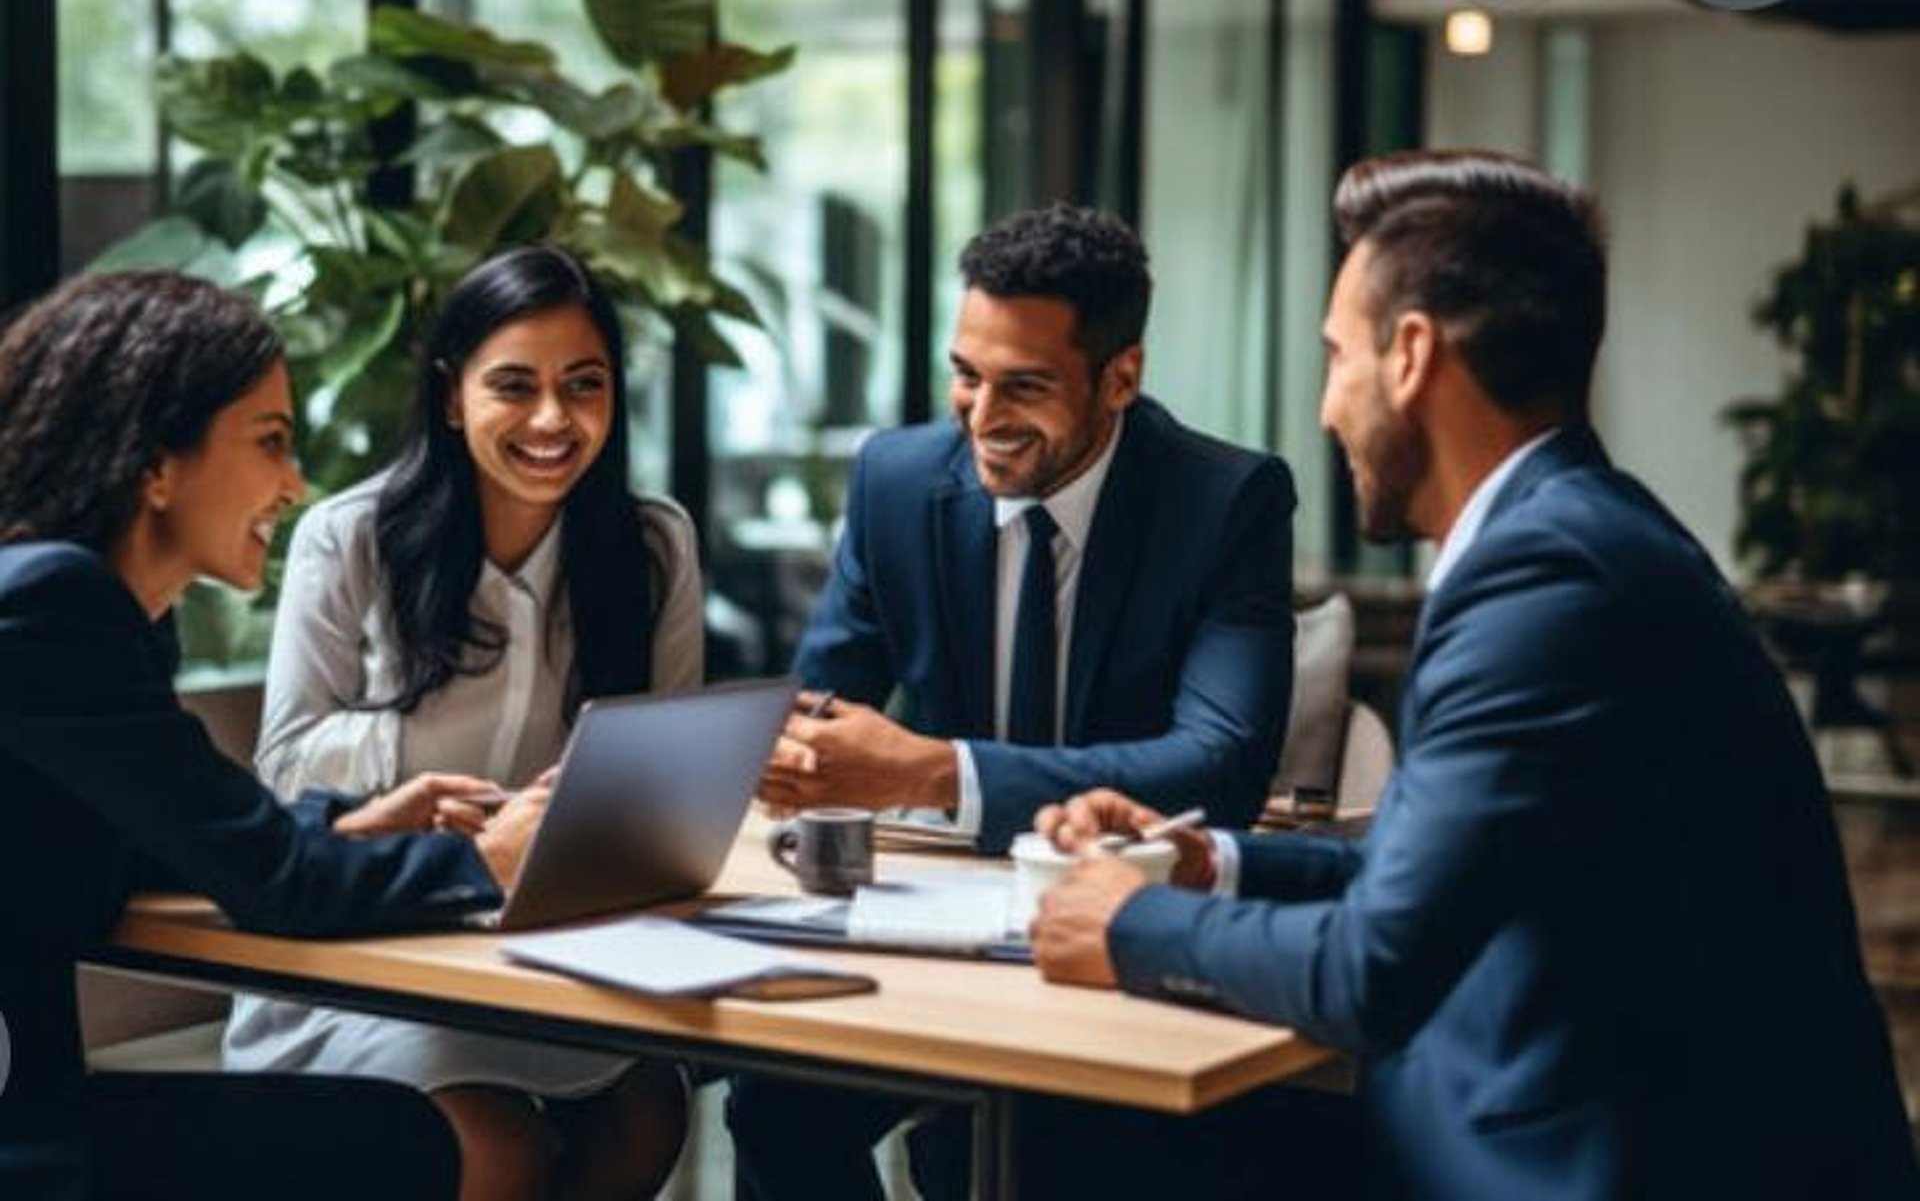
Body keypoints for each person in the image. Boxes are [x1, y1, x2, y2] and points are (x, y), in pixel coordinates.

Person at [1030, 150, 1920, 1199]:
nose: (1324, 408)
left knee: (1107, 1149)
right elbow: (1429, 878)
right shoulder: (1574, 532)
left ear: (1410, 355)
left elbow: (1373, 971)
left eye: (1336, 355)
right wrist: (1204, 861)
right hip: (1603, 1118)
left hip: (1614, 1159)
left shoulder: (1545, 580)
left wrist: (1127, 924)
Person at [731, 205, 1298, 1199]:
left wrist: (935, 770)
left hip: (1118, 933)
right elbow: (819, 708)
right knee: (777, 1100)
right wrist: (788, 754)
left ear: (1120, 377)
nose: (982, 415)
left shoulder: (1225, 502)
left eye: (1024, 386)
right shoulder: (896, 482)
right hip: (928, 926)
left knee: (1053, 1146)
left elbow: (1219, 764)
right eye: (966, 373)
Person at [0, 270, 547, 1199]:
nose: (294, 485)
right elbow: (278, 889)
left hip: (34, 1102)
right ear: (155, 463)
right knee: (442, 1142)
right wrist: (493, 858)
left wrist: (349, 827)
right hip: (24, 1137)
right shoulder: (54, 605)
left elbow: (166, 836)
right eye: (270, 442)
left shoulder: (87, 610)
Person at [222, 246, 698, 1201]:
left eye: (585, 385)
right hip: (367, 945)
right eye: (514, 387)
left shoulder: (650, 545)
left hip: (547, 952)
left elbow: (667, 772)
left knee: (651, 1107)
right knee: (497, 1145)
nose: (554, 420)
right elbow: (282, 769)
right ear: (451, 397)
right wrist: (421, 760)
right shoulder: (350, 535)